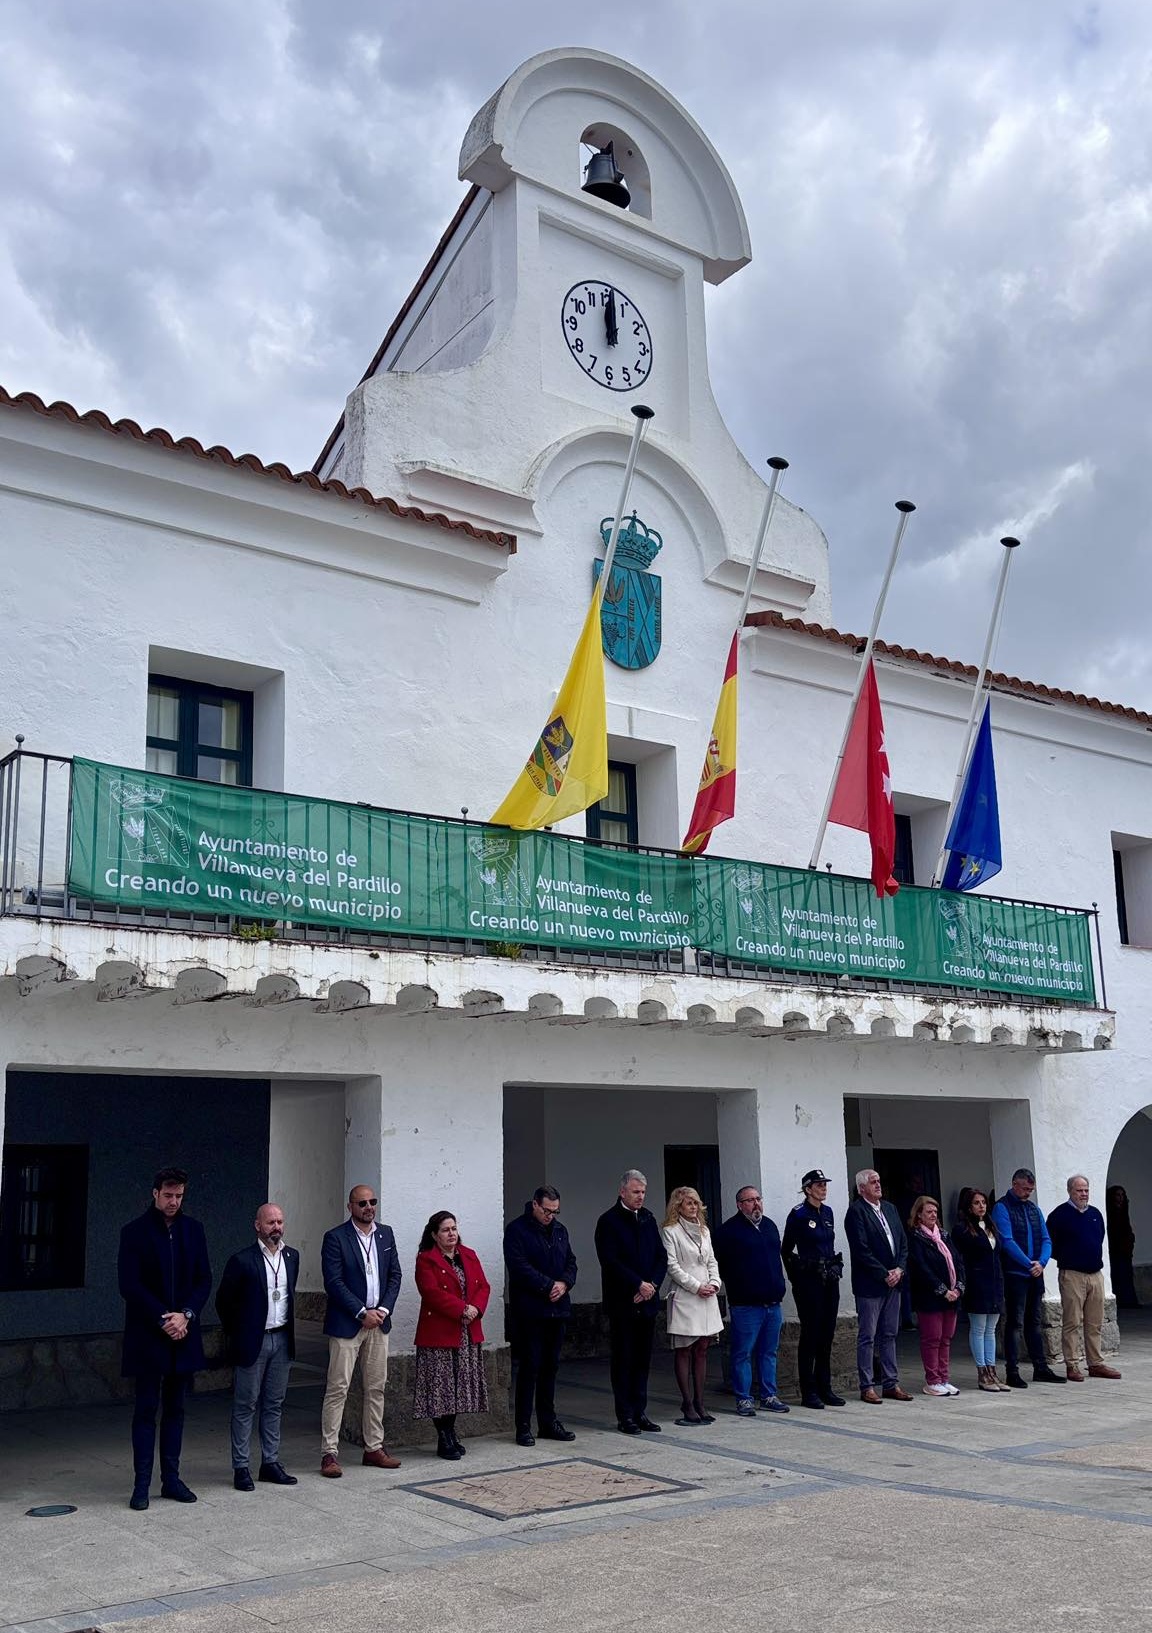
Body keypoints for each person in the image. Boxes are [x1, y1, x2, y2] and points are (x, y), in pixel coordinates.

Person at [117, 1166, 213, 1511]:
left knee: (176, 1409)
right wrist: (162, 1317)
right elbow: (129, 1284)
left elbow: (204, 1279)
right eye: (168, 1195)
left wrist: (185, 1314)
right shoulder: (134, 1233)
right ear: (155, 1193)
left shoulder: (194, 1231)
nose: (174, 1201)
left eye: (179, 1196)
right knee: (145, 1409)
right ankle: (141, 1484)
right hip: (148, 1334)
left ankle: (171, 1479)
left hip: (183, 1333)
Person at [319, 1184, 403, 1476]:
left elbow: (395, 1275)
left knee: (376, 1387)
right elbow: (334, 1282)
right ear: (350, 1207)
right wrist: (360, 1312)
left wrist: (383, 1310)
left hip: (379, 1323)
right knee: (338, 1388)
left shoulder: (386, 1234)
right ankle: (329, 1453)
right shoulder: (335, 1238)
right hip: (348, 1324)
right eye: (362, 1203)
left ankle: (374, 1448)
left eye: (372, 1202)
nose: (369, 1207)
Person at [216, 1202, 300, 1490]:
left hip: (282, 1339)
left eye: (279, 1221)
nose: (276, 1227)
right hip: (254, 1341)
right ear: (258, 1226)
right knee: (245, 1404)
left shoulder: (292, 1257)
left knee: (274, 1404)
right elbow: (224, 1302)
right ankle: (241, 1466)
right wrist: (239, 1333)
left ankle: (270, 1462)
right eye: (270, 1222)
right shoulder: (242, 1260)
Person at [594, 1169, 668, 1435]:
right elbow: (610, 1261)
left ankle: (640, 1411)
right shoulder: (608, 1221)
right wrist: (638, 1284)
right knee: (624, 1360)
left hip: (647, 1301)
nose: (640, 1197)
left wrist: (652, 1286)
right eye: (635, 1192)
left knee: (643, 1360)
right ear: (622, 1191)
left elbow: (661, 1257)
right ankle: (625, 1415)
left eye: (643, 1192)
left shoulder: (648, 1219)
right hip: (623, 1303)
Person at [503, 1185, 578, 1447]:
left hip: (557, 1310)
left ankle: (548, 1421)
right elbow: (520, 1268)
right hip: (531, 1310)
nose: (550, 1216)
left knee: (551, 1367)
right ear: (535, 1204)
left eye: (555, 1211)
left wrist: (564, 1284)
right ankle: (523, 1426)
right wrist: (548, 1286)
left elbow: (571, 1262)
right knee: (530, 1367)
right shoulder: (517, 1230)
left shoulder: (560, 1230)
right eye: (546, 1211)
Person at [413, 1211, 490, 1459]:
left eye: (454, 1228)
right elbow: (431, 1293)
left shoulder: (469, 1255)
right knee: (440, 1387)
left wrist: (475, 1309)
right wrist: (461, 1309)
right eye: (446, 1230)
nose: (452, 1234)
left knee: (457, 1386)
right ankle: (443, 1437)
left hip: (466, 1331)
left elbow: (482, 1286)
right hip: (440, 1333)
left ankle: (451, 1431)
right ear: (434, 1235)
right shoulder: (426, 1259)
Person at [713, 1184, 790, 1418]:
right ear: (739, 1205)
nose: (756, 1204)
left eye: (758, 1199)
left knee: (769, 1352)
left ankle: (768, 1395)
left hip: (772, 1303)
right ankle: (744, 1398)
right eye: (749, 1200)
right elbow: (718, 1263)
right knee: (743, 1353)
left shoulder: (769, 1226)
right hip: (746, 1305)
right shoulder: (728, 1231)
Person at [989, 1168, 1064, 1387]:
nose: (1028, 1193)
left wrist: (1041, 1263)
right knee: (1014, 1323)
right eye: (1024, 1188)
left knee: (1035, 1322)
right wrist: (1028, 1264)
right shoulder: (1002, 1207)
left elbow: (1046, 1238)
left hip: (1034, 1274)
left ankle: (1040, 1367)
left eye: (1031, 1189)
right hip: (1015, 1275)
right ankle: (1012, 1370)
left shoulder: (1033, 1209)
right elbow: (1007, 1240)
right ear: (1014, 1185)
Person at [844, 1169, 911, 1403]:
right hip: (870, 1284)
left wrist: (899, 1269)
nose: (878, 1185)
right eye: (873, 1182)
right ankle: (867, 1385)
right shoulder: (856, 1212)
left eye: (879, 1181)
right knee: (868, 1336)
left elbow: (903, 1242)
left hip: (894, 1281)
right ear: (862, 1188)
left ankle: (891, 1383)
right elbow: (861, 1249)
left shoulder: (890, 1209)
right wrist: (884, 1273)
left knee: (890, 1333)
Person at [781, 1169, 845, 1410]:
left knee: (827, 1333)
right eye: (818, 1185)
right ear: (807, 1189)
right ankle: (808, 1391)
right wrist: (797, 1278)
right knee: (811, 1334)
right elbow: (786, 1250)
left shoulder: (827, 1212)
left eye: (825, 1184)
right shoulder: (798, 1215)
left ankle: (824, 1387)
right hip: (809, 1281)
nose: (823, 1188)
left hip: (829, 1278)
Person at [1047, 1175, 1121, 1382]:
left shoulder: (1096, 1214)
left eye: (1086, 1190)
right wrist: (1068, 1257)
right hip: (1072, 1275)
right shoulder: (1059, 1215)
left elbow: (1099, 1237)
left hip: (1095, 1275)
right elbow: (1050, 1243)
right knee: (1071, 1321)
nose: (1084, 1194)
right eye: (1080, 1190)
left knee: (1094, 1322)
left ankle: (1095, 1363)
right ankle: (1072, 1364)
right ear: (1070, 1191)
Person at [660, 1186, 724, 1425]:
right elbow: (673, 1266)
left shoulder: (704, 1230)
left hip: (707, 1296)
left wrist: (715, 1283)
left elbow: (711, 1260)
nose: (694, 1207)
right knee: (685, 1349)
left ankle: (700, 1401)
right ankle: (686, 1402)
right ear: (678, 1206)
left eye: (696, 1203)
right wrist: (697, 1286)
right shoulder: (670, 1231)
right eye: (689, 1203)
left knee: (703, 1349)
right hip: (686, 1296)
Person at [951, 1187, 1008, 1391]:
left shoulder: (991, 1226)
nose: (981, 1206)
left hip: (995, 1282)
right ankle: (982, 1372)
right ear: (968, 1206)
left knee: (991, 1329)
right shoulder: (962, 1229)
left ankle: (992, 1371)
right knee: (979, 1327)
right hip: (977, 1282)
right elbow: (960, 1257)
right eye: (976, 1203)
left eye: (983, 1202)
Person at [907, 1196, 964, 1396]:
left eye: (935, 1212)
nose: (933, 1215)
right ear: (919, 1215)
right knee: (932, 1338)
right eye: (928, 1212)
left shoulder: (945, 1236)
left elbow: (958, 1261)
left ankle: (944, 1378)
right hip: (930, 1297)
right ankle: (932, 1380)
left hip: (952, 1296)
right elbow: (922, 1269)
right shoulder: (916, 1238)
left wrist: (958, 1288)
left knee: (946, 1338)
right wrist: (942, 1290)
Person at [1105, 1185, 1139, 1308]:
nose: (1120, 1198)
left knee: (1126, 1275)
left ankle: (1129, 1300)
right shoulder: (1110, 1212)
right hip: (1114, 1250)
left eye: (1122, 1195)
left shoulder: (1123, 1211)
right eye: (1117, 1195)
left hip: (1125, 1250)